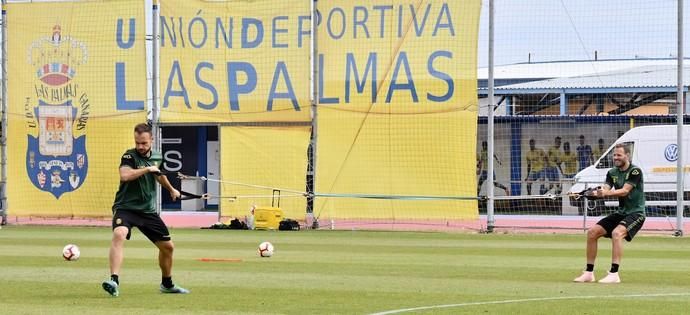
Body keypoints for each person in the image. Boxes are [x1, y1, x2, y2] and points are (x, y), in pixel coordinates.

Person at [102, 123, 189, 297]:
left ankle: (167, 284)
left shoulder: (157, 156)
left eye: (144, 143)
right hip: (125, 207)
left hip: (147, 211)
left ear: (152, 140)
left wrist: (171, 189)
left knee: (168, 248)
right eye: (137, 143)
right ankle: (114, 280)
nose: (140, 147)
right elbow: (125, 175)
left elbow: (160, 175)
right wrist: (147, 168)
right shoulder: (129, 155)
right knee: (119, 234)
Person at [573, 143, 645, 284]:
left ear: (627, 156)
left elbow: (624, 191)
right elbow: (605, 188)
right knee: (592, 232)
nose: (615, 157)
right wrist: (594, 193)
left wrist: (605, 193)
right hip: (621, 212)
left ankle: (614, 274)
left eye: (619, 155)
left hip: (636, 213)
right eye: (614, 155)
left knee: (616, 233)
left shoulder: (635, 171)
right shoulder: (612, 172)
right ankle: (588, 273)